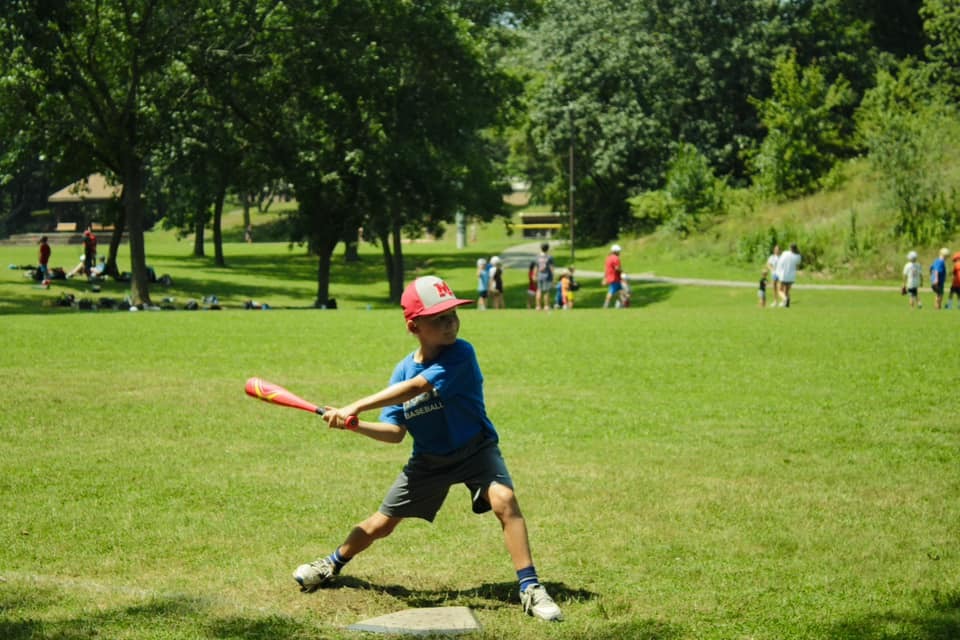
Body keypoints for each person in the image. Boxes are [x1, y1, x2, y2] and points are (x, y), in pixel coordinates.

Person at [293, 276, 563, 622]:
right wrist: (355, 425)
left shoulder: (461, 354)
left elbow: (417, 387)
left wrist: (355, 405)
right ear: (414, 326)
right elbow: (394, 432)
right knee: (381, 524)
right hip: (429, 461)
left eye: (453, 314)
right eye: (439, 318)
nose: (451, 322)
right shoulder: (402, 369)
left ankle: (530, 587)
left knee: (504, 500)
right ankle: (331, 564)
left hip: (475, 450)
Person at [774, 243, 801, 308]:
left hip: (784, 275)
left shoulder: (785, 253)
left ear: (790, 248)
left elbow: (780, 263)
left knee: (780, 290)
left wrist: (777, 272)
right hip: (792, 276)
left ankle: (785, 299)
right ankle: (786, 305)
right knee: (787, 291)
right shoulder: (798, 256)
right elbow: (797, 266)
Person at [534, 243, 554, 311]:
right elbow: (551, 268)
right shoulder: (549, 257)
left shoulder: (537, 257)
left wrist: (534, 275)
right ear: (548, 249)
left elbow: (536, 267)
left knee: (539, 290)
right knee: (546, 291)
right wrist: (553, 277)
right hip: (547, 276)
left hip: (539, 276)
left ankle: (538, 306)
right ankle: (546, 306)